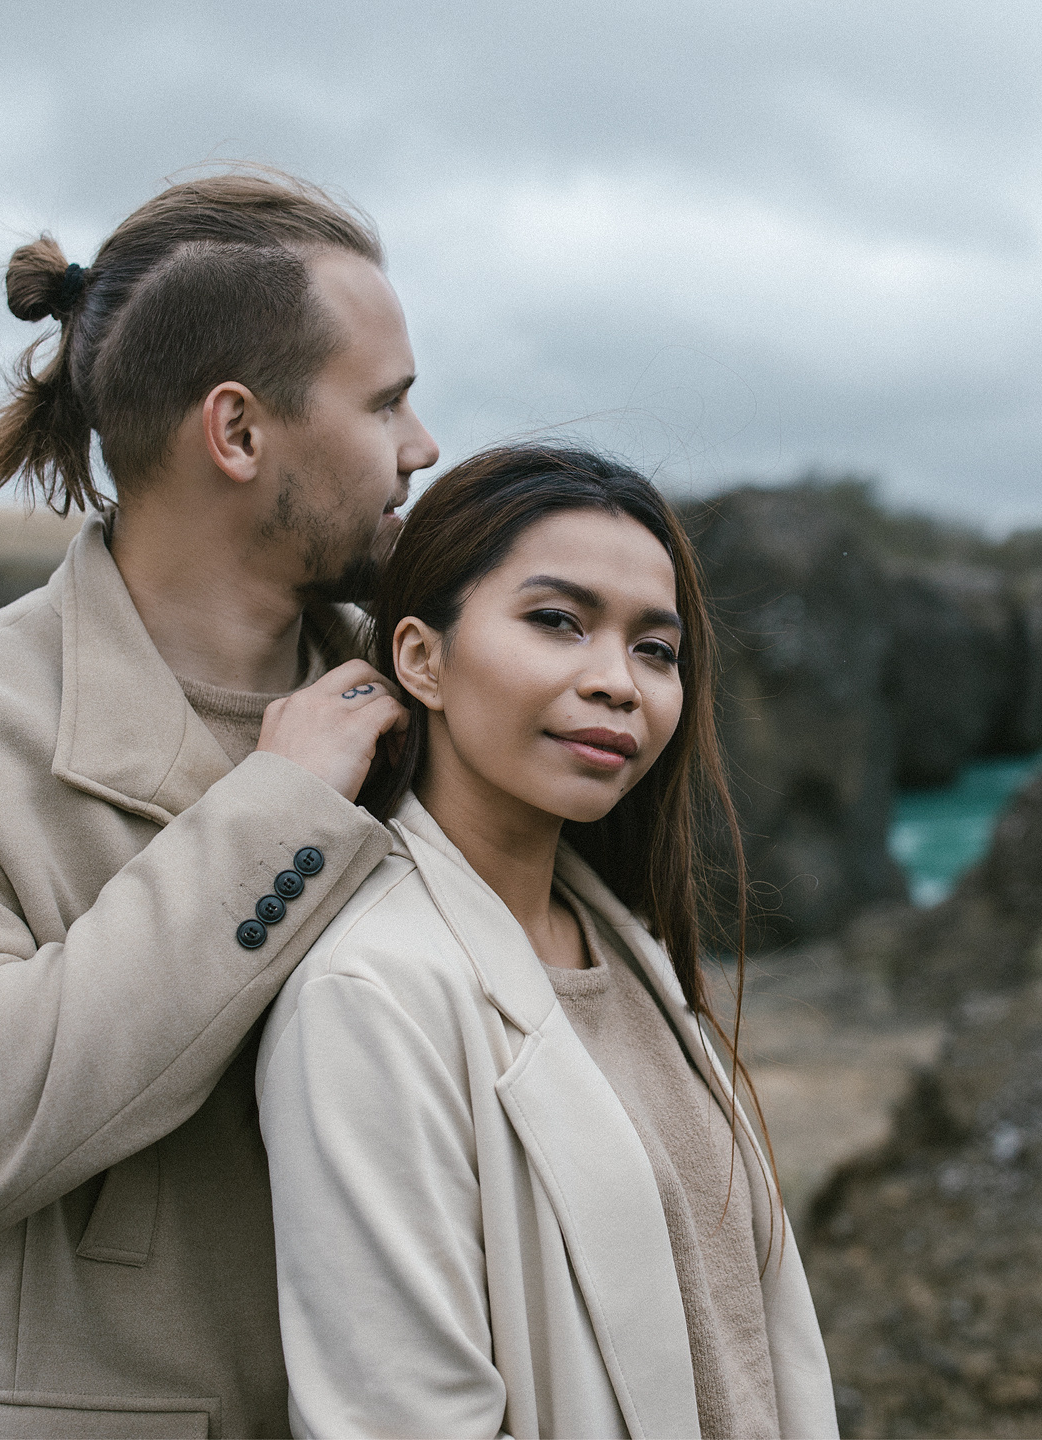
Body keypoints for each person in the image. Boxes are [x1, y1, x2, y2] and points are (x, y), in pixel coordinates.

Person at [0, 168, 438, 1439]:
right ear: (237, 433)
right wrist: (276, 817)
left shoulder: (436, 702)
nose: (424, 446)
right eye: (390, 402)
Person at [256, 446, 839, 1438]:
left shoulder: (629, 948)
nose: (619, 683)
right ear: (420, 658)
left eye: (655, 650)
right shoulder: (371, 993)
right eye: (557, 622)